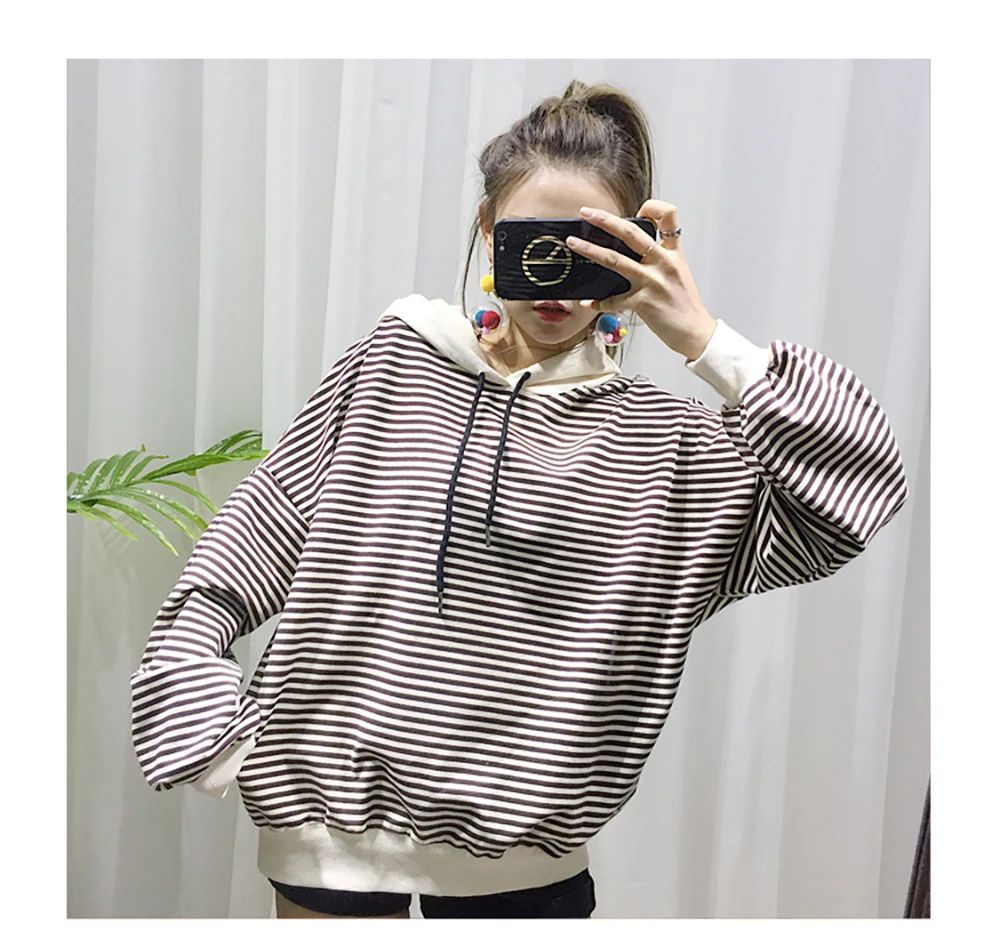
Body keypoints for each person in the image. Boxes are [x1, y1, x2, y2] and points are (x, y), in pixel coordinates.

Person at [129, 79, 909, 920]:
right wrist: (201, 693)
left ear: (639, 250)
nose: (556, 278)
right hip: (330, 848)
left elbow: (861, 484)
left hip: (530, 870)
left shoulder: (676, 450)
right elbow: (260, 528)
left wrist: (702, 336)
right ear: (488, 230)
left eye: (593, 245)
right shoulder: (397, 361)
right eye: (534, 240)